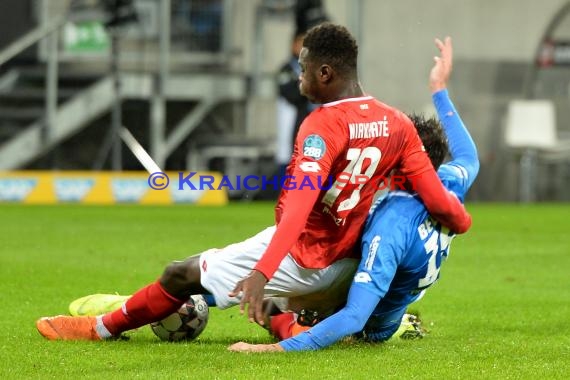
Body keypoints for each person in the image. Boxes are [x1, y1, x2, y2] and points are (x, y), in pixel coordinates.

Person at [36, 24, 472, 341]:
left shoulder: (321, 126)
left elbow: (299, 211)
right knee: (268, 296)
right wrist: (461, 223)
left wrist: (263, 272)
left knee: (181, 273)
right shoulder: (396, 123)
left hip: (303, 257)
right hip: (348, 265)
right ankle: (289, 323)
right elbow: (440, 201)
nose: (297, 79)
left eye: (302, 69)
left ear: (325, 74)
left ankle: (98, 329)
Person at [228, 36, 480, 352]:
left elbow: (355, 318)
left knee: (286, 304)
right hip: (404, 286)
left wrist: (271, 351)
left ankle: (286, 319)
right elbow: (469, 157)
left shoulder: (391, 226)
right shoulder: (450, 181)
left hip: (368, 327)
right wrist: (439, 89)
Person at [275, 0, 328, 177]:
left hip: (314, 123)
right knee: (290, 163)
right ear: (293, 45)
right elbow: (292, 94)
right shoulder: (285, 69)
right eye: (300, 43)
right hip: (292, 123)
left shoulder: (315, 68)